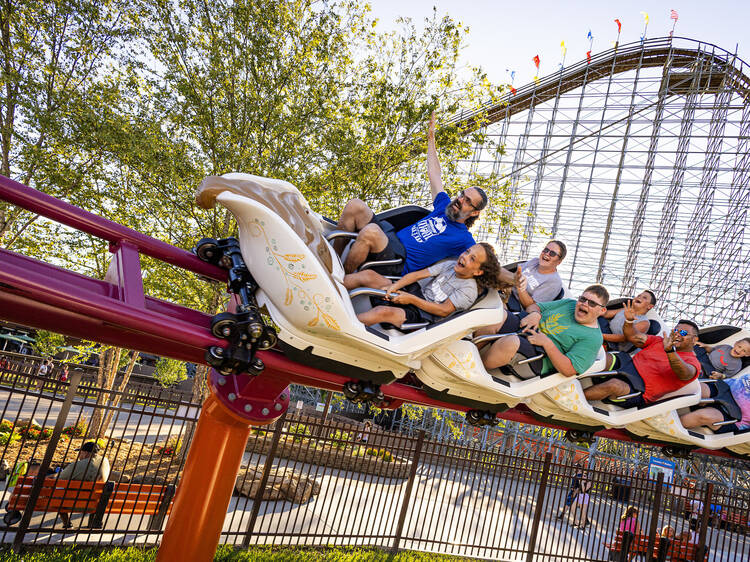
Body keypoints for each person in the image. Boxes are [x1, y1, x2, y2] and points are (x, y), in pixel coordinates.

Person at [333, 113, 501, 278]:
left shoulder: (464, 239)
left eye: (467, 201)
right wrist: (430, 138)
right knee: (355, 206)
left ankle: (341, 278)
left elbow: (491, 265)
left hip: (398, 261)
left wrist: (515, 279)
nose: (460, 200)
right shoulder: (444, 206)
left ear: (474, 212)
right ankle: (333, 260)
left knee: (371, 231)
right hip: (389, 239)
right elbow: (434, 173)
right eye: (462, 195)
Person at [344, 243, 505, 328]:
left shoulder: (469, 290)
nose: (465, 256)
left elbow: (443, 311)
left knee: (382, 311)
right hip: (414, 293)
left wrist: (412, 300)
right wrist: (396, 285)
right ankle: (331, 289)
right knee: (369, 275)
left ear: (478, 272)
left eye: (472, 259)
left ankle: (342, 326)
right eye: (467, 251)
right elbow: (417, 275)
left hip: (423, 316)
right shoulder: (449, 265)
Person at [476, 284, 609, 378]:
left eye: (592, 303)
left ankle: (476, 368)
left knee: (511, 342)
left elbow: (569, 369)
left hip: (540, 356)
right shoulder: (570, 304)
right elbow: (534, 307)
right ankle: (470, 352)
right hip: (528, 328)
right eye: (583, 299)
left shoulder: (593, 338)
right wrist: (536, 314)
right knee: (498, 316)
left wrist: (547, 344)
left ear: (602, 310)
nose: (584, 304)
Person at [583, 303, 701, 407]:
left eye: (684, 333)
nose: (677, 335)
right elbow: (633, 336)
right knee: (604, 358)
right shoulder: (659, 341)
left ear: (694, 340)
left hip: (640, 388)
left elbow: (685, 373)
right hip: (629, 365)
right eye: (675, 330)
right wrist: (629, 322)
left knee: (614, 385)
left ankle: (574, 397)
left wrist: (670, 352)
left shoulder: (693, 362)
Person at [56, 441, 111, 528]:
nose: (79, 456)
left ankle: (67, 524)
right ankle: (94, 523)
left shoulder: (78, 465)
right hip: (97, 505)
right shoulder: (105, 461)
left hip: (73, 504)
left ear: (85, 453)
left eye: (80, 453)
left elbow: (58, 479)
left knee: (56, 495)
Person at [679, 373, 750, 432]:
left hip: (734, 417)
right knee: (693, 388)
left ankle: (671, 427)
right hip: (724, 388)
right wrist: (723, 376)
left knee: (705, 416)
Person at [508, 241, 566, 312]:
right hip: (507, 291)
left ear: (559, 262)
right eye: (546, 250)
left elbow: (531, 306)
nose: (547, 254)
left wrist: (520, 287)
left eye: (552, 253)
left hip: (515, 305)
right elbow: (516, 273)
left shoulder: (554, 282)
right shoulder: (535, 261)